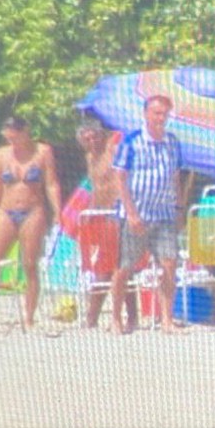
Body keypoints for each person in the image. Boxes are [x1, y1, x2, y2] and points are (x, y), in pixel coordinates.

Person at [0, 116, 62, 330]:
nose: (12, 142)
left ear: (26, 132)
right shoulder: (1, 154)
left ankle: (29, 317)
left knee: (30, 265)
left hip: (33, 210)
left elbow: (51, 184)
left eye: (15, 137)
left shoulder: (43, 152)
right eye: (9, 138)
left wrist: (58, 211)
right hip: (6, 211)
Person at [109, 95, 185, 335]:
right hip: (137, 214)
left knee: (169, 263)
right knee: (125, 267)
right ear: (146, 114)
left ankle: (167, 319)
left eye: (164, 114)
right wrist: (131, 213)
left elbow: (176, 177)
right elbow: (120, 179)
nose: (161, 118)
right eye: (156, 113)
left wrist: (179, 208)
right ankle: (115, 318)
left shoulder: (172, 143)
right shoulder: (131, 142)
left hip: (164, 214)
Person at [75, 119, 138, 329]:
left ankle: (93, 318)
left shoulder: (113, 147)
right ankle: (130, 317)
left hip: (119, 212)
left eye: (95, 137)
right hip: (101, 214)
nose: (92, 142)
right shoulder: (90, 157)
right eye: (87, 139)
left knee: (111, 267)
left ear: (102, 135)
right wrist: (90, 212)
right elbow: (97, 187)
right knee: (116, 267)